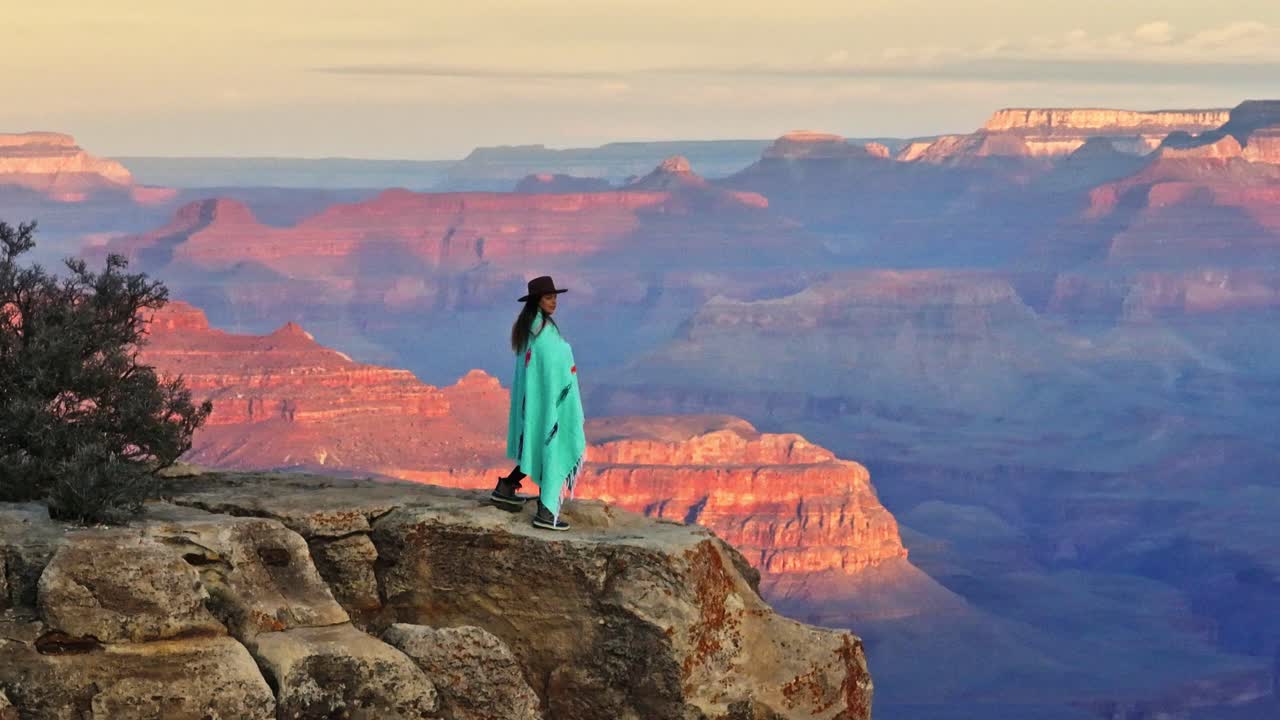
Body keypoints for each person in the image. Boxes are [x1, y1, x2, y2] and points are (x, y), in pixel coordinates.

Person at [492, 275, 585, 531]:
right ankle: (545, 511)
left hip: (537, 401)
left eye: (555, 297)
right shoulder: (540, 331)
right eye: (548, 297)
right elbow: (553, 362)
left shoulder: (533, 326)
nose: (554, 302)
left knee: (538, 445)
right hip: (545, 403)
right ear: (537, 300)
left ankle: (506, 487)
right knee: (549, 447)